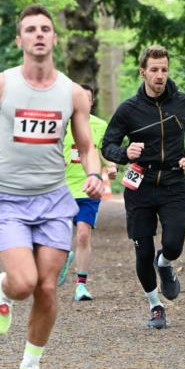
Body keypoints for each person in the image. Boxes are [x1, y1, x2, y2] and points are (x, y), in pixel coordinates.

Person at [0, 5, 104, 369]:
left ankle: (31, 364)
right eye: (31, 29)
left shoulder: (72, 93)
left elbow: (86, 146)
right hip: (11, 200)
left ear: (54, 39)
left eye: (45, 29)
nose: (39, 34)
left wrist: (94, 174)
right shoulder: (0, 85)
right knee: (24, 283)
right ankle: (4, 287)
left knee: (47, 286)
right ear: (19, 40)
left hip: (54, 202)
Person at [101, 45, 185, 329]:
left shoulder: (183, 103)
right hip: (140, 186)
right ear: (142, 72)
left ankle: (165, 264)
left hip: (173, 183)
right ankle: (155, 305)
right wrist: (124, 153)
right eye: (154, 70)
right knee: (143, 251)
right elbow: (107, 145)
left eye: (164, 70)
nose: (160, 75)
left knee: (173, 245)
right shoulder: (128, 110)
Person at [60, 84, 117, 301]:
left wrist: (111, 166)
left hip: (88, 188)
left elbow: (105, 152)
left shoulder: (100, 126)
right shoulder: (60, 124)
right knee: (58, 235)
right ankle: (61, 258)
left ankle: (81, 285)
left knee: (83, 234)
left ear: (92, 102)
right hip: (61, 188)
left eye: (87, 99)